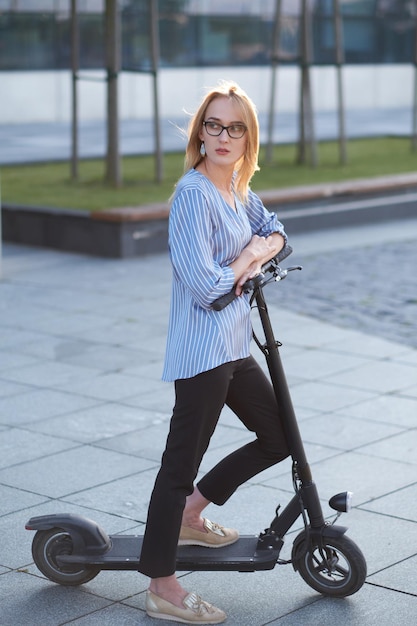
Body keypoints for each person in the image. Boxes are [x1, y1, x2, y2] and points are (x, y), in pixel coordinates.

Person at [139, 80, 290, 624]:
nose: (223, 136)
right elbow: (206, 287)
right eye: (213, 125)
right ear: (200, 132)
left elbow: (277, 232)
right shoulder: (194, 195)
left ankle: (192, 514)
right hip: (203, 352)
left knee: (279, 436)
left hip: (232, 343)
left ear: (248, 138)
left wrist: (258, 247)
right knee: (178, 465)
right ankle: (162, 585)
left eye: (235, 127)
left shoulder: (238, 190)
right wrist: (251, 254)